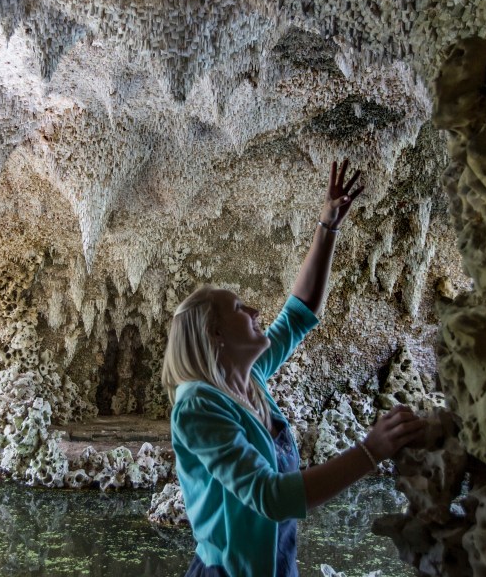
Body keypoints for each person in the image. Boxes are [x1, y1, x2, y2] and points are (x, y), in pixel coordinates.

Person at [161, 159, 426, 577]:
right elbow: (271, 496)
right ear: (215, 335)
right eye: (238, 307)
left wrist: (328, 227)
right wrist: (370, 451)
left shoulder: (250, 380)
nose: (253, 309)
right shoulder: (197, 405)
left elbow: (298, 314)